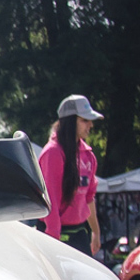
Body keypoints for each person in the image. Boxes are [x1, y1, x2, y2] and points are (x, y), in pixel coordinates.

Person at [40, 94, 102, 256]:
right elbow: (50, 198)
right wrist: (53, 236)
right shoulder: (52, 153)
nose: (90, 125)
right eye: (84, 120)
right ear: (69, 122)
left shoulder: (89, 156)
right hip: (53, 233)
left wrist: (95, 232)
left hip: (79, 232)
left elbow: (89, 197)